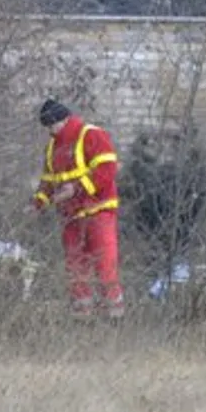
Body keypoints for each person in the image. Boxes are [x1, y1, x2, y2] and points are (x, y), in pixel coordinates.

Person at [31, 99, 125, 318]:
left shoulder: (91, 135)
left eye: (52, 125)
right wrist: (37, 203)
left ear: (64, 119)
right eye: (47, 126)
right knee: (75, 269)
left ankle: (114, 318)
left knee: (104, 266)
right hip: (70, 216)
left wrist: (75, 189)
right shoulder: (52, 147)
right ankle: (82, 317)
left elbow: (107, 169)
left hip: (98, 211)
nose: (50, 130)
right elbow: (48, 181)